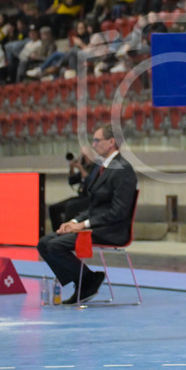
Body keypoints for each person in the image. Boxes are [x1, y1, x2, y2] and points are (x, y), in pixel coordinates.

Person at [37, 125, 137, 305]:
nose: (93, 144)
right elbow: (93, 206)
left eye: (97, 140)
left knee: (55, 246)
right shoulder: (102, 168)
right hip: (96, 225)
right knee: (44, 243)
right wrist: (73, 221)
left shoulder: (123, 170)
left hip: (112, 229)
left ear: (111, 142)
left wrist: (83, 225)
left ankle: (87, 282)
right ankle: (86, 280)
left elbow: (118, 212)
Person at [47, 146, 99, 230]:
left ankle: (67, 231)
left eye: (85, 156)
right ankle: (57, 231)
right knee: (53, 208)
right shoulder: (85, 167)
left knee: (70, 206)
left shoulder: (96, 167)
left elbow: (91, 184)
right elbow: (72, 181)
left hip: (91, 198)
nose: (83, 158)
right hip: (82, 196)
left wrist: (81, 168)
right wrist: (72, 168)